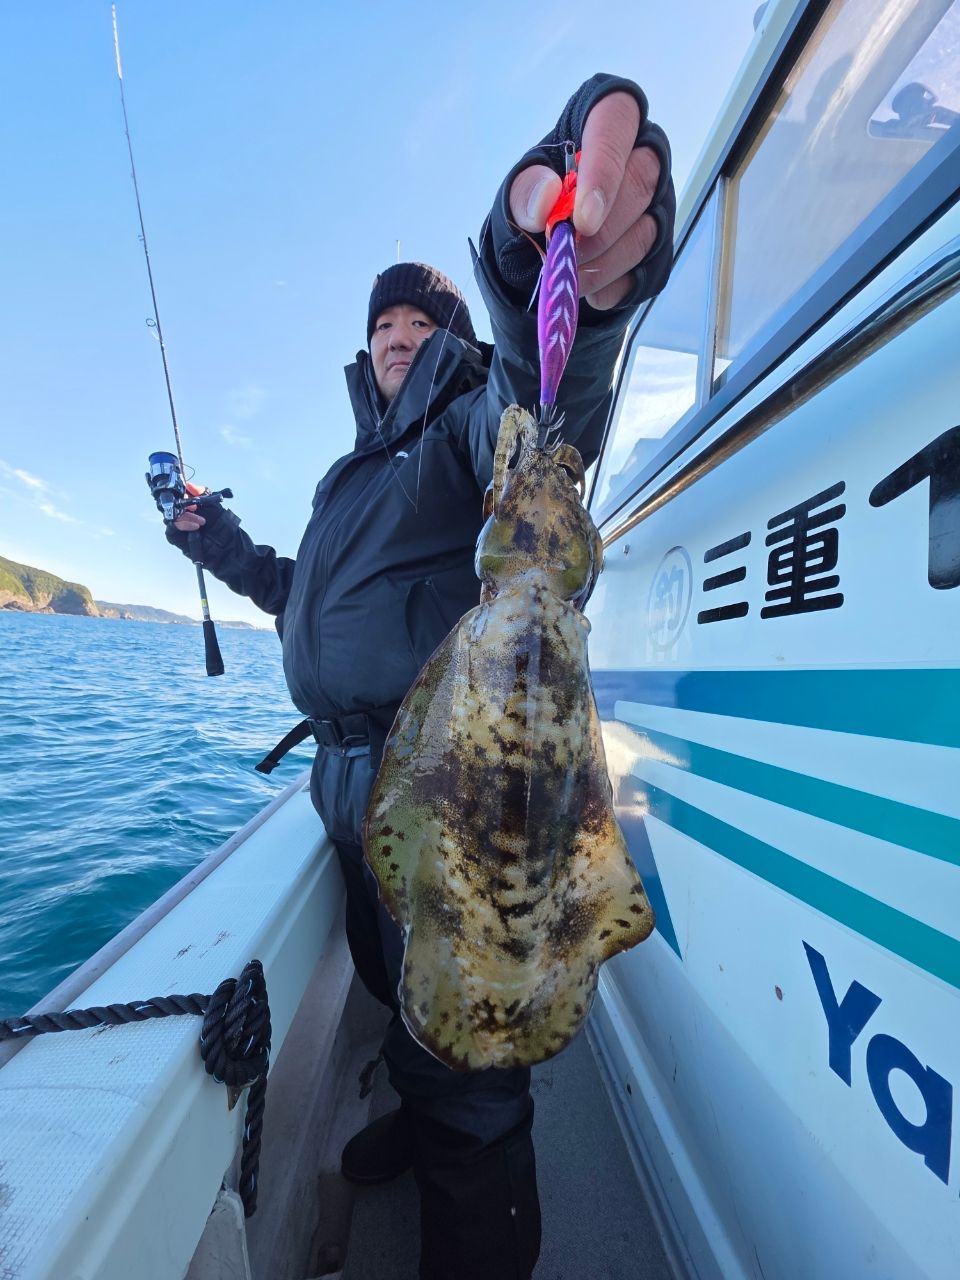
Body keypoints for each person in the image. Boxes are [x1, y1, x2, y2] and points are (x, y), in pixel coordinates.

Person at [167, 73, 676, 1280]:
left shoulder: (462, 428)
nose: (398, 340)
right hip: (349, 786)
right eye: (385, 330)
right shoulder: (358, 469)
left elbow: (543, 408)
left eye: (419, 328)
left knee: (477, 1068)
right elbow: (310, 596)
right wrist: (215, 545)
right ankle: (413, 1100)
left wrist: (537, 278)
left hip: (444, 782)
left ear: (447, 343)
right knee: (405, 1004)